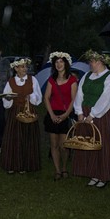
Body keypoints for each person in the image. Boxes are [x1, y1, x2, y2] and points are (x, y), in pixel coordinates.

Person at [72, 50, 110, 188]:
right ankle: (92, 172)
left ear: (100, 62)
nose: (90, 64)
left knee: (103, 142)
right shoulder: (87, 76)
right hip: (86, 112)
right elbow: (80, 93)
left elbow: (106, 99)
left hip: (104, 114)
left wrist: (92, 115)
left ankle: (104, 174)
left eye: (92, 61)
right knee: (88, 142)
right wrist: (79, 112)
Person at [0, 58, 42, 174]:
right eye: (22, 67)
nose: (25, 69)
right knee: (14, 137)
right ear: (16, 68)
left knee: (28, 137)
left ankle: (25, 164)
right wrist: (8, 98)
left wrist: (31, 96)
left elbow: (38, 97)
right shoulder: (11, 81)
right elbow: (6, 98)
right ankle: (13, 164)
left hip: (29, 111)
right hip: (15, 112)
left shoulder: (32, 80)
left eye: (25, 67)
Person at [43, 51, 78, 180]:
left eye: (61, 62)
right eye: (56, 62)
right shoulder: (52, 79)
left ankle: (64, 167)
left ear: (66, 63)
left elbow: (74, 100)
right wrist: (51, 115)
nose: (59, 64)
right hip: (53, 114)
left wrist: (65, 115)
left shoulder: (72, 80)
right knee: (54, 144)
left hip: (66, 114)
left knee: (64, 146)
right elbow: (46, 97)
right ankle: (57, 170)